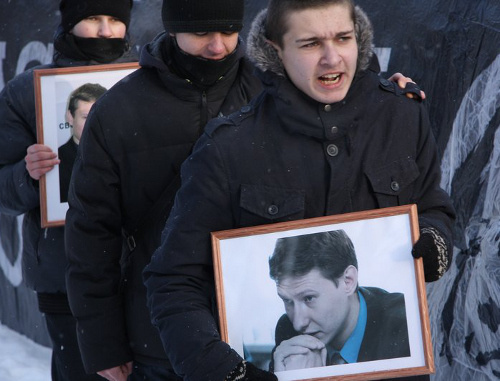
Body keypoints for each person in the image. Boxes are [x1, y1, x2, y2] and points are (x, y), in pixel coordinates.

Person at [63, 0, 419, 380]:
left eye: (228, 31)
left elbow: (338, 90)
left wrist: (383, 91)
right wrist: (102, 340)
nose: (217, 46)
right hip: (160, 336)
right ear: (172, 29)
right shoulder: (119, 109)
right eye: (202, 33)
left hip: (247, 335)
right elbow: (91, 230)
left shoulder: (276, 85)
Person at [0, 1, 135, 380]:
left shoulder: (148, 83)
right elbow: (3, 192)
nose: (107, 31)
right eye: (93, 18)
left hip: (144, 273)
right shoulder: (25, 91)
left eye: (116, 20)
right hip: (65, 279)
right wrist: (28, 176)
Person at [268, 230, 410, 372]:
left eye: (309, 298)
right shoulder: (286, 329)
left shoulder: (406, 324)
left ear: (348, 281)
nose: (298, 324)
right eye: (287, 301)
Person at [58, 83, 107, 203]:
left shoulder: (121, 156)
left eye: (98, 116)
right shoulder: (56, 161)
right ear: (70, 117)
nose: (92, 124)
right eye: (86, 117)